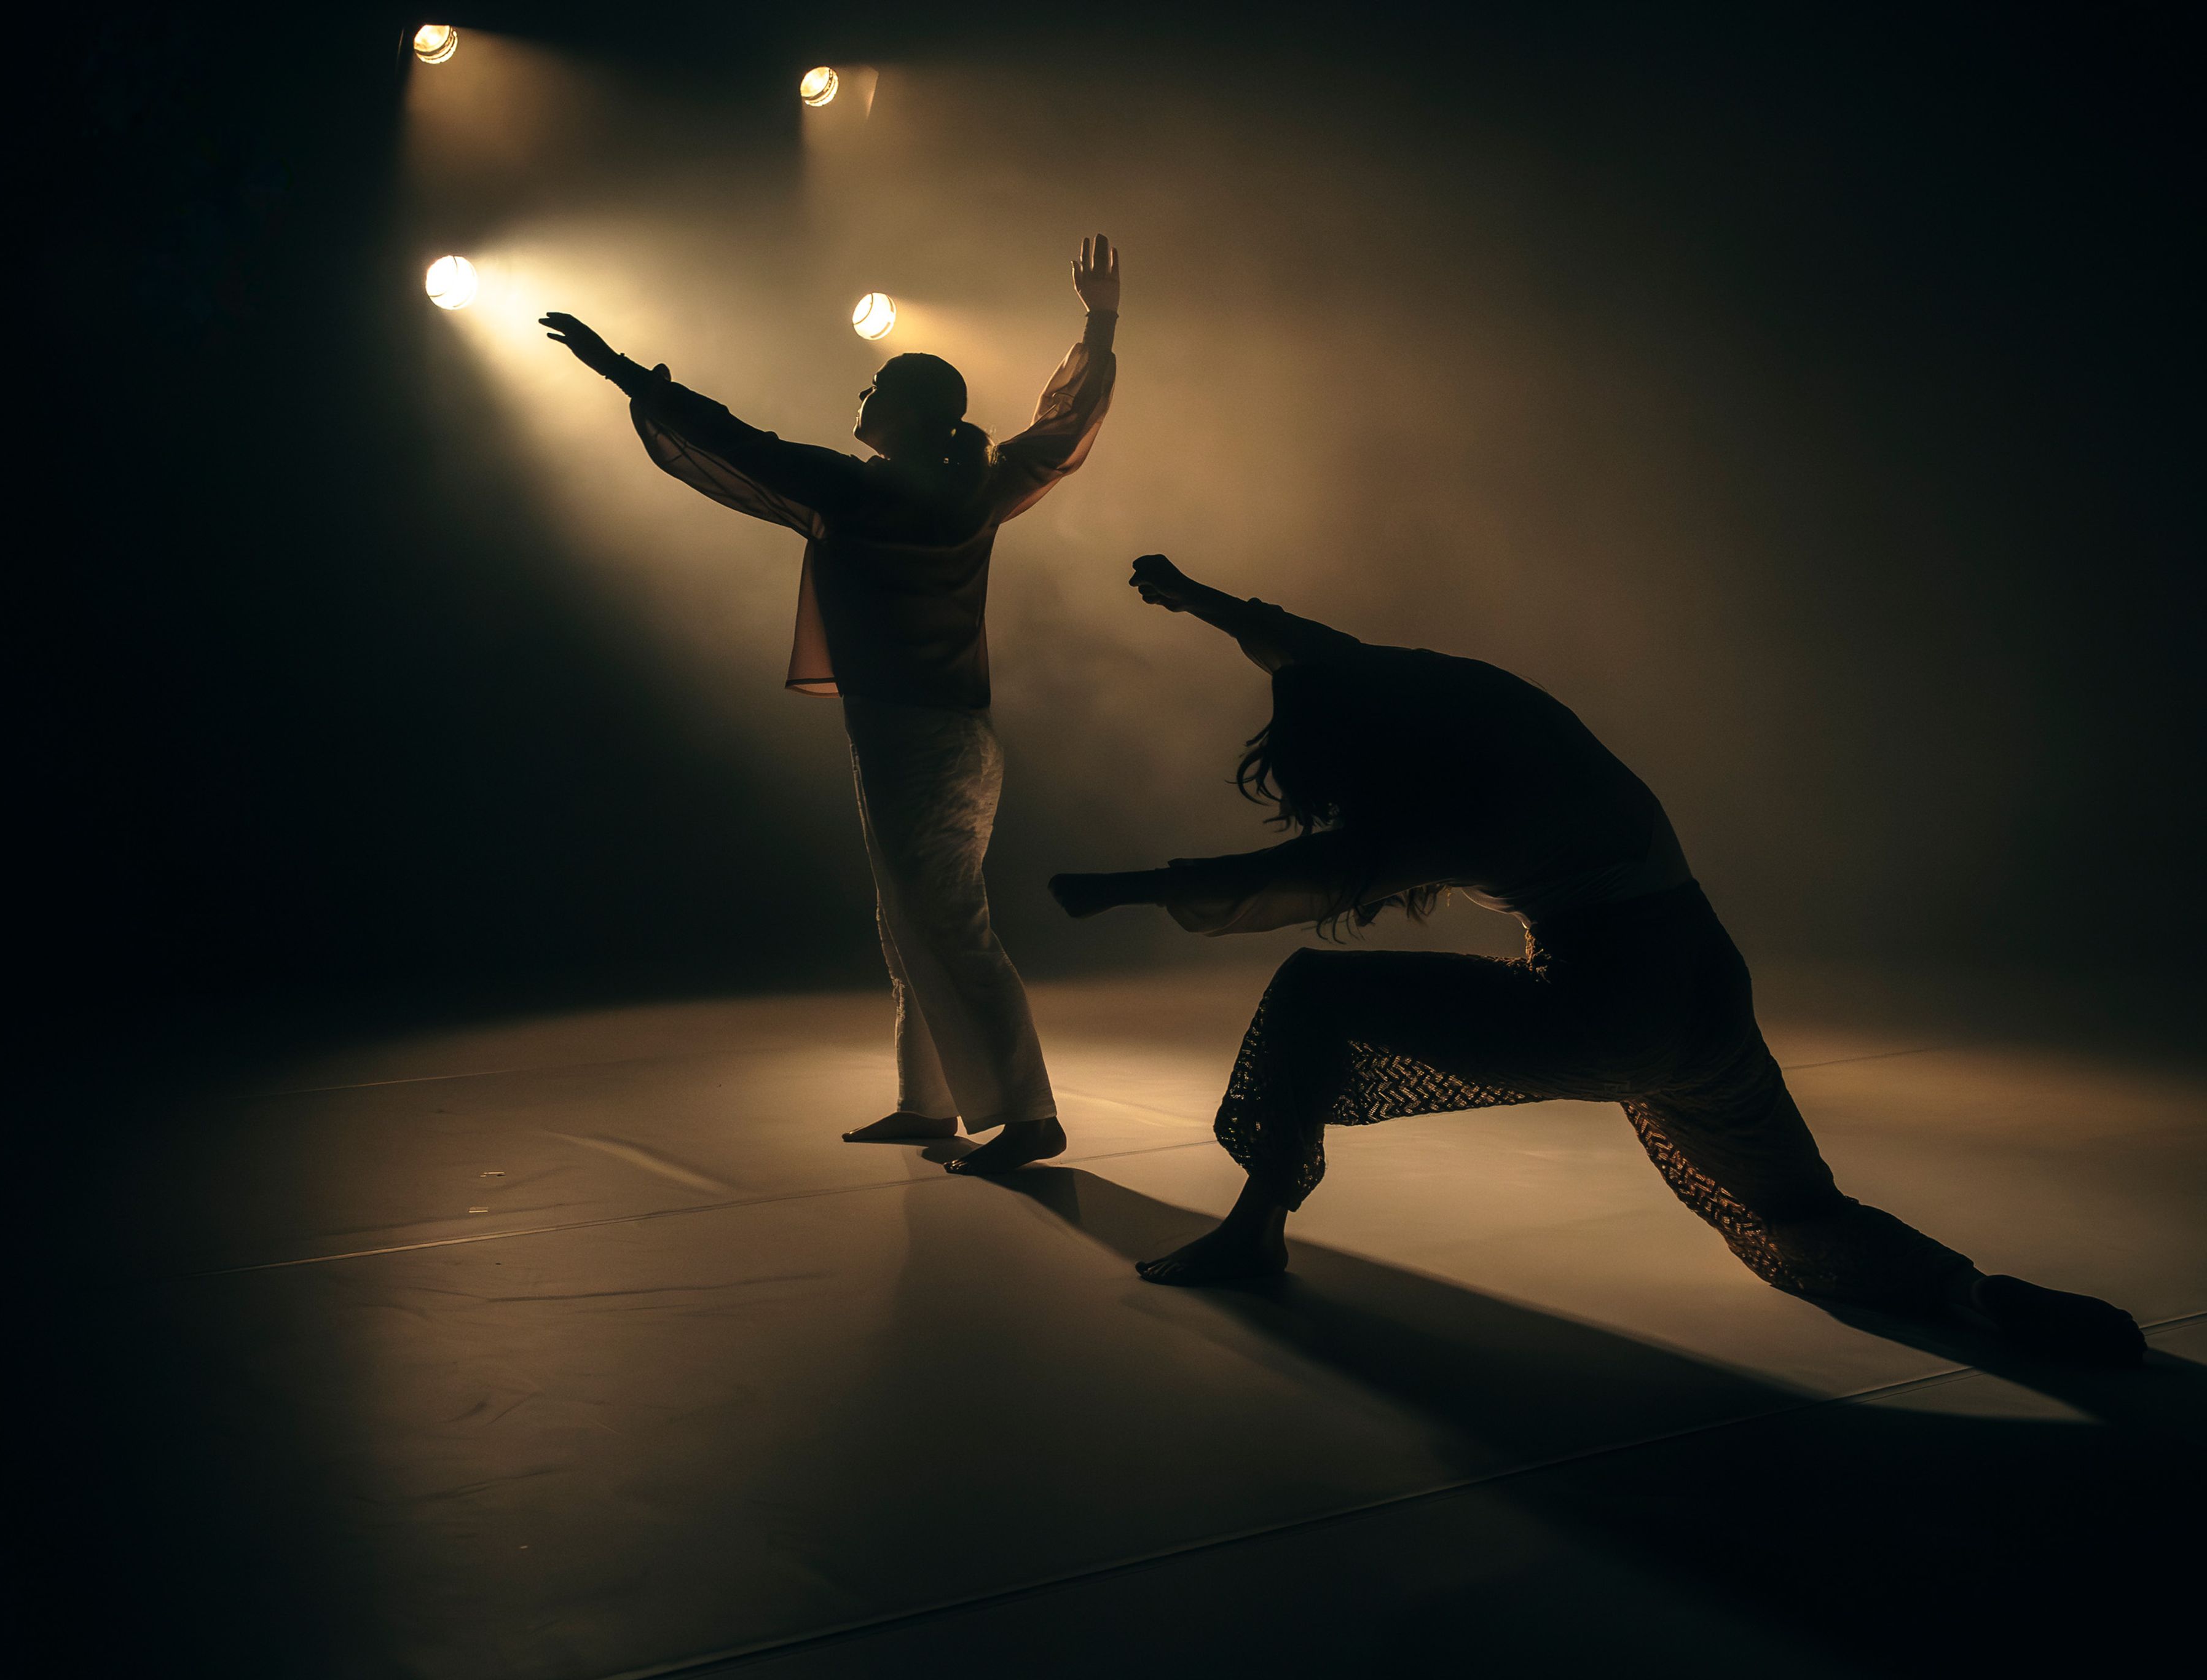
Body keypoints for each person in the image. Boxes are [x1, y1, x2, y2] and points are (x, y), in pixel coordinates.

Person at [1044, 553, 2145, 1365]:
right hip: (1707, 986)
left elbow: (1305, 884)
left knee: (1315, 991)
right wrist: (1196, 598)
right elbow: (1314, 646)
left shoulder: (1452, 805)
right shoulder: (1469, 698)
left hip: (1612, 1010)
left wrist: (1125, 889)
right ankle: (1977, 1297)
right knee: (1795, 1211)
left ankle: (1254, 1230)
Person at [537, 237, 1123, 1174]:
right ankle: (929, 1103)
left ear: (906, 414)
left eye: (879, 383)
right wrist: (1097, 322)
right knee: (913, 918)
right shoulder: (975, 486)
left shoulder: (855, 491)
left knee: (944, 921)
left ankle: (1030, 1115)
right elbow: (1065, 422)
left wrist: (615, 368)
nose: (864, 393)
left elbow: (732, 440)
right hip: (946, 737)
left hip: (921, 740)